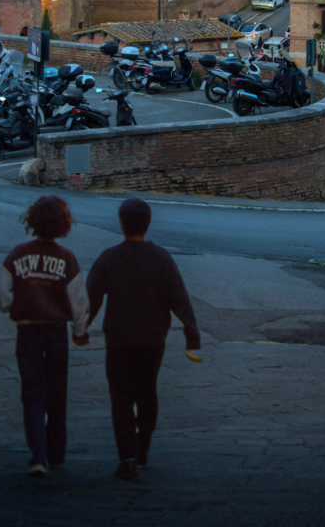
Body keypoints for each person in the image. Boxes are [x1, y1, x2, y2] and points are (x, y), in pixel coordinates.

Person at [87, 198, 200, 481]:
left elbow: (91, 298)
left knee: (121, 397)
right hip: (152, 337)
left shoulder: (109, 258)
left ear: (121, 224)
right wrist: (191, 335)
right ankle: (143, 447)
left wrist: (81, 327)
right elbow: (179, 299)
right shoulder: (162, 259)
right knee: (147, 391)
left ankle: (126, 457)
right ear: (148, 224)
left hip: (119, 338)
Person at [0, 195, 89, 478]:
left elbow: (1, 292)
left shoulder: (18, 255)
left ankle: (37, 456)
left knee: (32, 393)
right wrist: (80, 332)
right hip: (56, 333)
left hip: (28, 331)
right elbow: (79, 300)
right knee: (57, 394)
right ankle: (57, 454)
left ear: (32, 221)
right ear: (62, 224)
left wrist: (16, 307)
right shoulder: (66, 258)